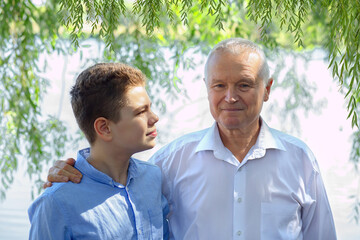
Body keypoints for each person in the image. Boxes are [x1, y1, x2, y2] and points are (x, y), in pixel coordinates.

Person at [45, 38, 337, 239]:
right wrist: (66, 175)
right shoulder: (170, 162)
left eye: (244, 85)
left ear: (267, 89)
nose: (230, 97)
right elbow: (115, 183)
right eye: (219, 85)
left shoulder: (300, 160)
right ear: (207, 88)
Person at [28, 63, 169, 239]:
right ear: (104, 128)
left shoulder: (152, 177)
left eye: (150, 107)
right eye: (141, 112)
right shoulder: (56, 203)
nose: (155, 118)